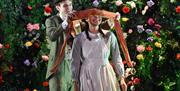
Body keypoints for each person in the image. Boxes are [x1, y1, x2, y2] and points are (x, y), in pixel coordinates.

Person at [71, 14, 127, 91]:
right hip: (88, 74)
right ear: (87, 18)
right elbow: (75, 62)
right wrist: (75, 82)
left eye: (99, 15)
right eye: (93, 15)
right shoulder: (79, 38)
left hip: (106, 74)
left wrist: (122, 78)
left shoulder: (109, 36)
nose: (97, 17)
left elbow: (116, 57)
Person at [45, 0, 75, 91]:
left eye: (70, 5)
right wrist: (65, 22)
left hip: (74, 66)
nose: (69, 8)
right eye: (65, 6)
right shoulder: (51, 21)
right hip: (58, 67)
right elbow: (52, 36)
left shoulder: (76, 19)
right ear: (58, 8)